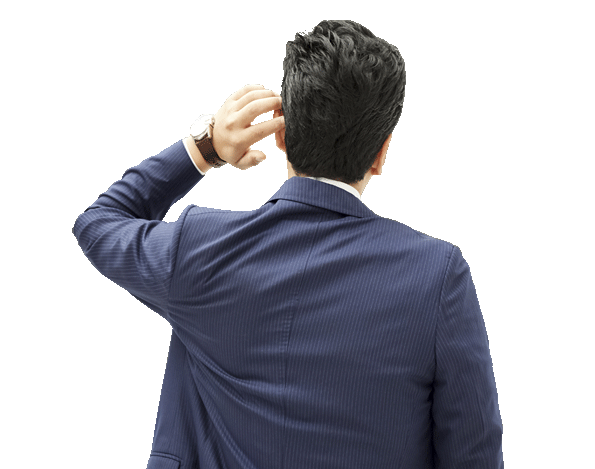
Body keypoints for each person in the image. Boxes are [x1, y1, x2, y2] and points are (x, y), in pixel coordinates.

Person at [73, 20, 502, 469]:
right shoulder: (437, 275)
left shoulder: (200, 249)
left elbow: (98, 222)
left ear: (281, 136)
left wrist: (206, 148)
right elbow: (473, 455)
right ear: (381, 154)